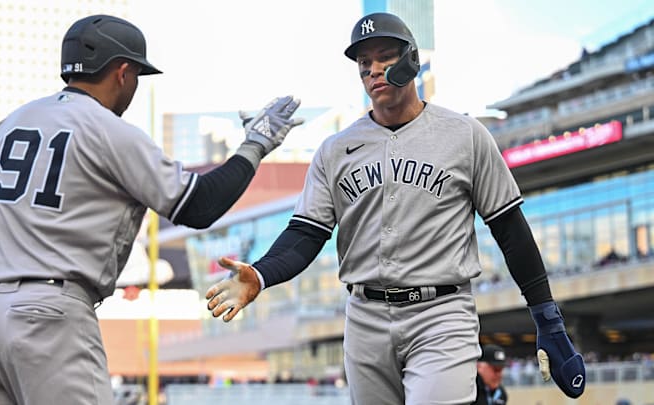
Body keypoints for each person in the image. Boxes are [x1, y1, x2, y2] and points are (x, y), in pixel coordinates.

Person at [205, 11, 586, 404]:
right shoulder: (335, 150)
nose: (373, 70)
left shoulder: (465, 135)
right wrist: (261, 275)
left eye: (384, 56)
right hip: (365, 317)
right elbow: (306, 232)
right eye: (363, 63)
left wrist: (547, 317)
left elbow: (510, 228)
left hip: (441, 312)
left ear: (412, 61)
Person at [0, 14, 303, 405]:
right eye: (136, 75)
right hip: (47, 316)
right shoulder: (107, 130)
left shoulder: (1, 130)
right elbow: (199, 206)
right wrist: (255, 145)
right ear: (122, 72)